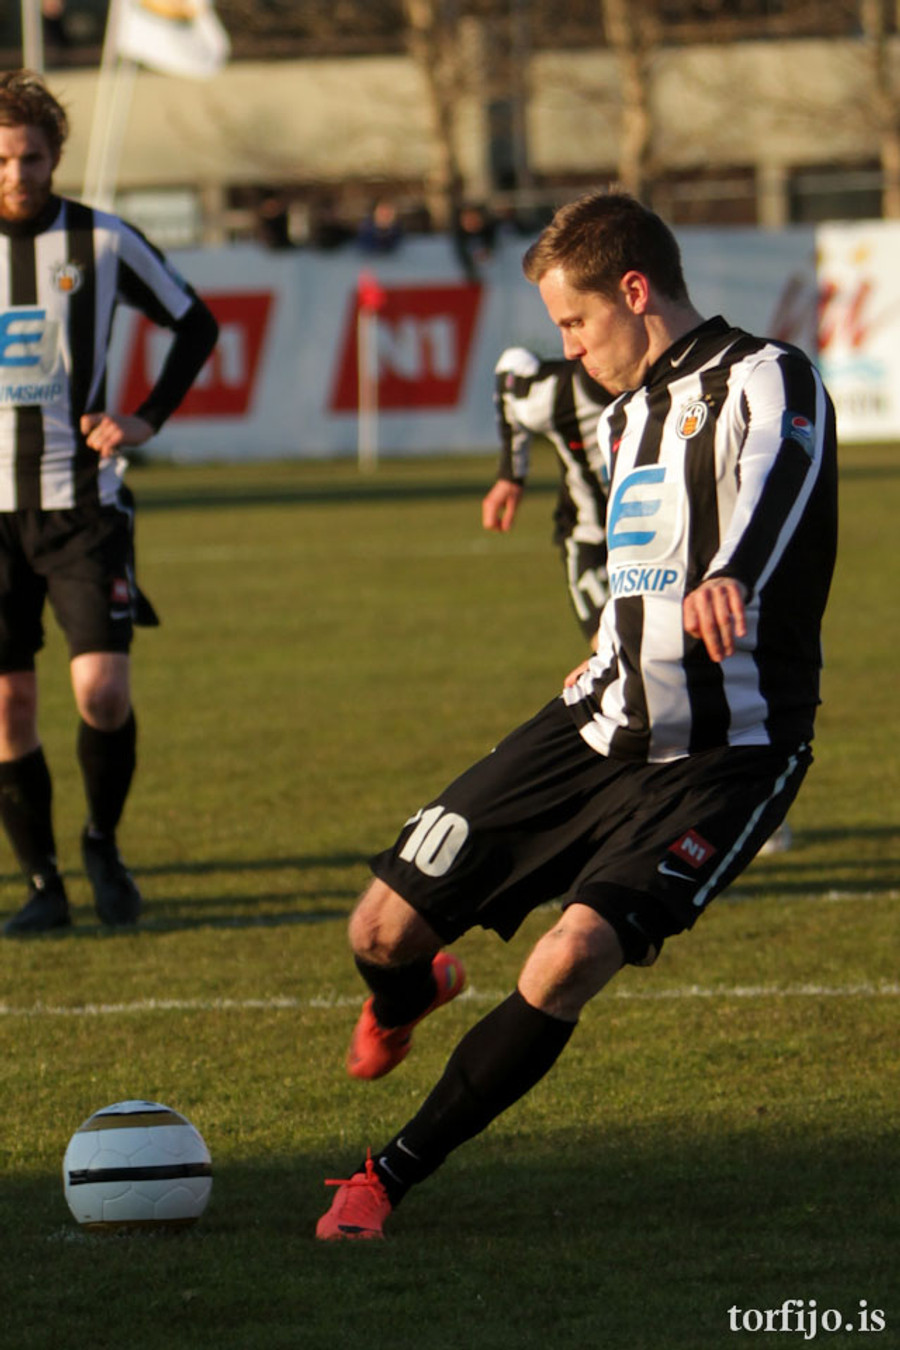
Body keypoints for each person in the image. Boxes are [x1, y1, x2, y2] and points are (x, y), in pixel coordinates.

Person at [315, 189, 837, 1241]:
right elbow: (639, 561)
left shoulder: (767, 374)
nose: (569, 347)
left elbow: (781, 480)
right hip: (594, 726)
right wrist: (611, 646)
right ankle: (410, 993)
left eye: (575, 321)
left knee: (567, 959)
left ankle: (384, 1177)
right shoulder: (623, 414)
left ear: (634, 291)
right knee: (378, 929)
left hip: (728, 755)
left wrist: (733, 572)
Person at [0, 71, 218, 935]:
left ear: (55, 156)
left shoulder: (102, 240)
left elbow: (195, 323)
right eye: (3, 159)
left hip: (82, 505)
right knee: (9, 706)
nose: (17, 173)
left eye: (31, 157)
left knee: (102, 692)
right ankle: (43, 884)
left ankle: (102, 843)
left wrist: (144, 418)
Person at [482, 347, 611, 649]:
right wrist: (511, 473)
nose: (572, 347)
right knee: (615, 652)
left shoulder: (679, 384)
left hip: (668, 542)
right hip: (594, 538)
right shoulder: (558, 393)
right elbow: (511, 370)